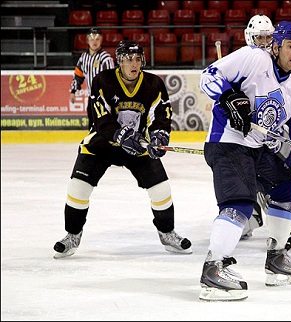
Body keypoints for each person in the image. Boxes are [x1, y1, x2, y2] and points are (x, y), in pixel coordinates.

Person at [198, 21, 291, 301]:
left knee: (289, 189)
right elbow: (209, 76)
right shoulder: (254, 58)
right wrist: (229, 96)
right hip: (228, 142)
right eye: (290, 46)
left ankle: (276, 258)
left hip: (257, 150)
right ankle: (214, 268)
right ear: (277, 46)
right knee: (241, 203)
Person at [53, 40, 192, 259]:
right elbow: (100, 117)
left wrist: (159, 136)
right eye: (128, 59)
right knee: (78, 187)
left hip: (137, 144)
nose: (134, 64)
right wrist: (121, 135)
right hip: (101, 144)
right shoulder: (103, 81)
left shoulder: (153, 84)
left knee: (161, 189)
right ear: (119, 61)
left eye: (138, 59)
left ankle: (167, 233)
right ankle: (72, 235)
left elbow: (161, 114)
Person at [241, 14, 291, 249]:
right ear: (250, 38)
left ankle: (290, 224)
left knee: (279, 179)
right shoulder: (245, 63)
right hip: (252, 135)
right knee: (244, 173)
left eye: (268, 38)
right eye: (259, 38)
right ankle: (252, 214)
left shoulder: (280, 65)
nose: (264, 43)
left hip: (278, 135)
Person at [69, 28, 115, 130]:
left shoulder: (106, 59)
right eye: (92, 39)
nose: (94, 41)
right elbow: (78, 76)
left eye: (97, 39)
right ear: (87, 41)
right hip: (92, 97)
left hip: (104, 99)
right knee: (92, 125)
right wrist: (73, 91)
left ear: (101, 41)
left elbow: (111, 80)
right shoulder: (83, 57)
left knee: (104, 124)